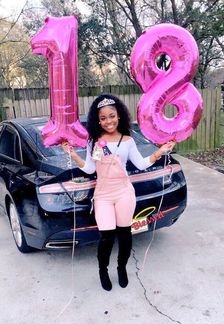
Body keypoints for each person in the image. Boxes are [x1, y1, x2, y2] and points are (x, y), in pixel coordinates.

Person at [62, 93, 175, 291]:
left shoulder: (128, 140)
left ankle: (121, 267)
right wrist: (72, 154)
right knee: (106, 237)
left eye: (112, 116)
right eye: (103, 118)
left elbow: (140, 164)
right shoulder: (93, 142)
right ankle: (103, 270)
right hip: (103, 195)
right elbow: (89, 169)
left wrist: (160, 151)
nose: (108, 121)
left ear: (119, 115)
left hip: (124, 193)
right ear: (97, 120)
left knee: (125, 234)